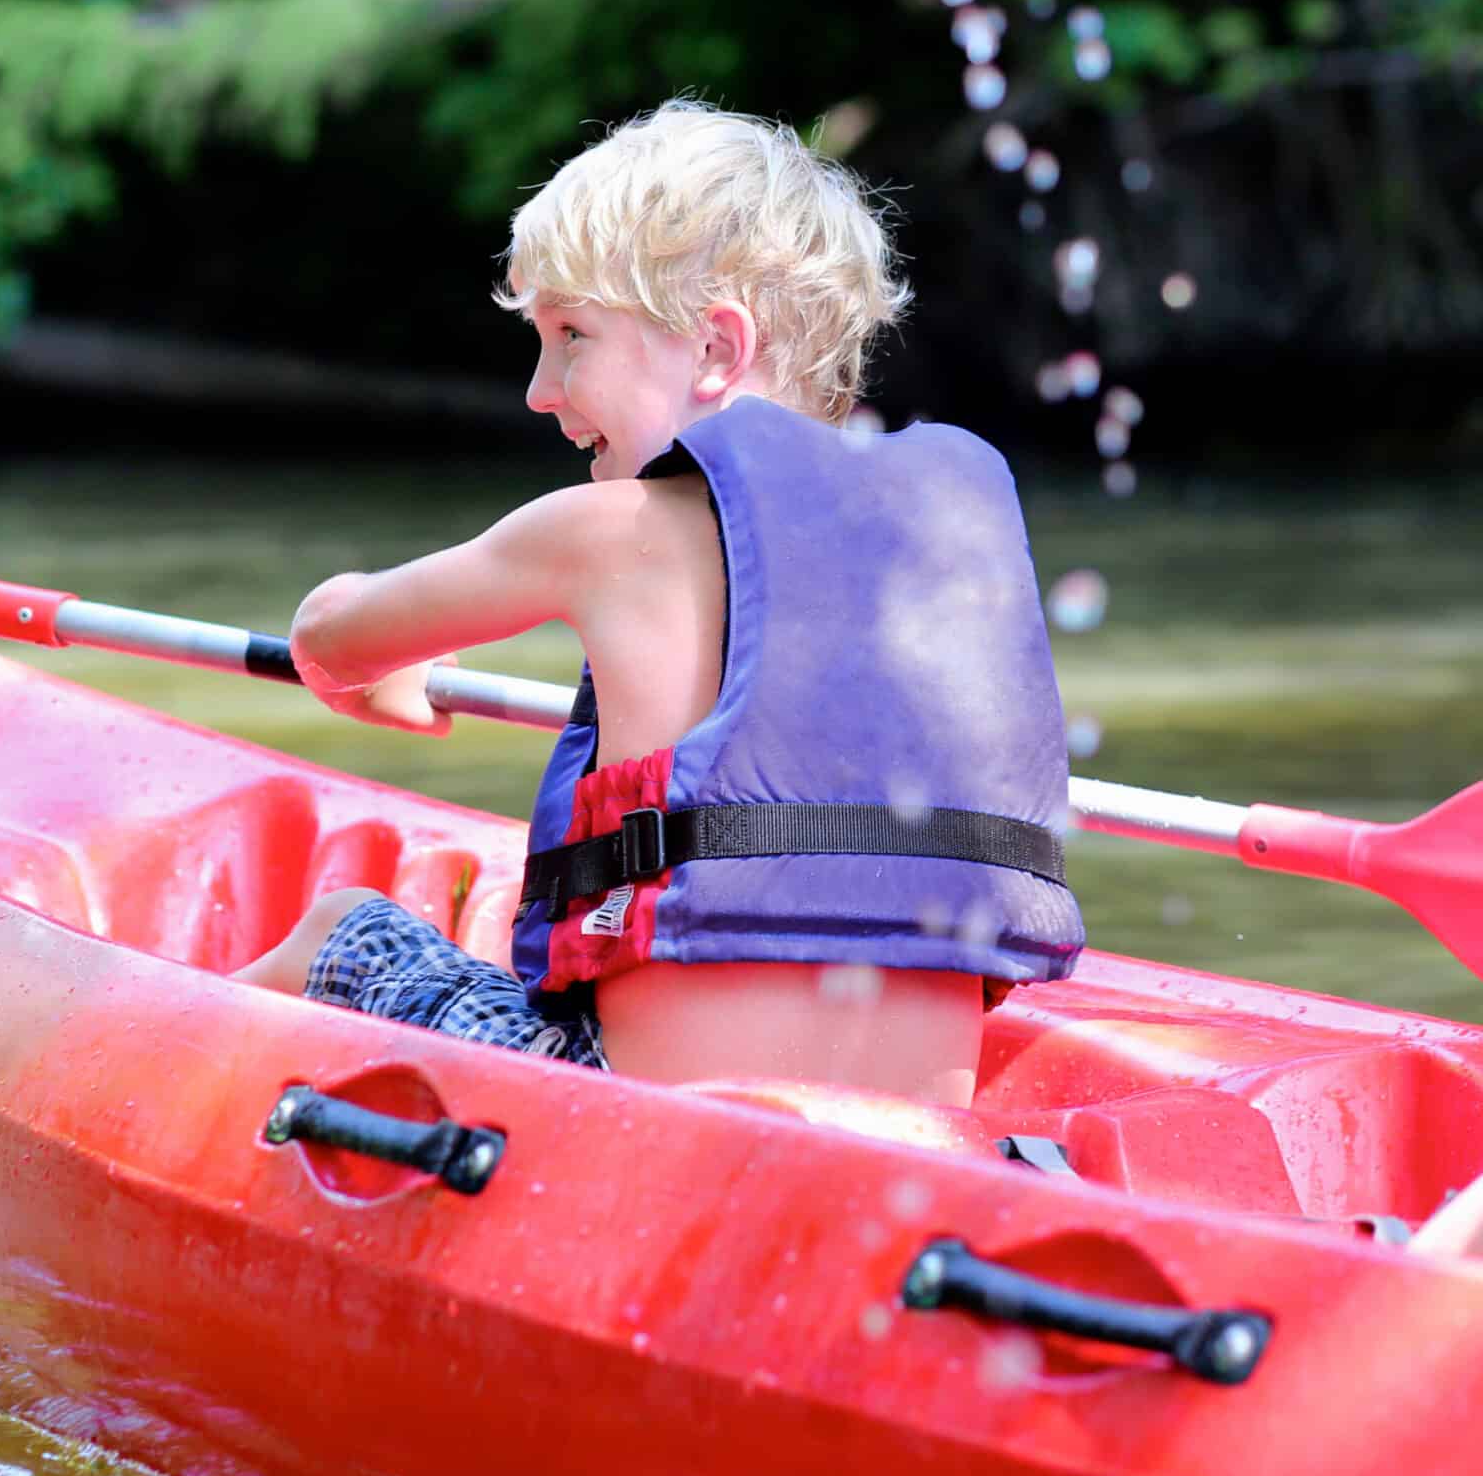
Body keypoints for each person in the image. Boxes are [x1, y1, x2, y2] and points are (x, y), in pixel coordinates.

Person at [233, 100, 1085, 1109]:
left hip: (643, 1124)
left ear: (718, 351)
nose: (539, 392)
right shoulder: (941, 545)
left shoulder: (607, 531)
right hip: (911, 1137)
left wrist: (372, 667)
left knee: (343, 929)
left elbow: (332, 636)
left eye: (571, 337)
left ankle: (153, 1083)